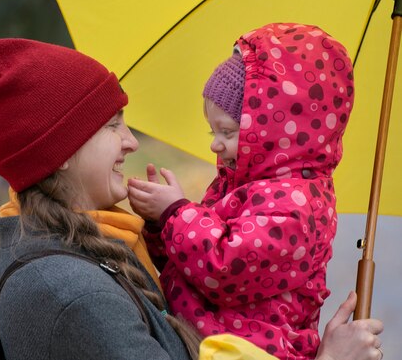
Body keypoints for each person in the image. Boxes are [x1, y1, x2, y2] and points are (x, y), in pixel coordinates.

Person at [0, 37, 382, 360]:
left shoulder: (96, 241)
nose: (130, 142)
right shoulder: (74, 295)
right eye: (113, 125)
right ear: (62, 152)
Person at [128, 23, 355, 360]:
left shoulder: (297, 206)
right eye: (212, 130)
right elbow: (188, 261)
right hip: (209, 341)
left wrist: (175, 213)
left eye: (228, 131)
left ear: (272, 131)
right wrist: (161, 225)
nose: (216, 144)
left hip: (251, 350)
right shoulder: (239, 182)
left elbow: (223, 269)